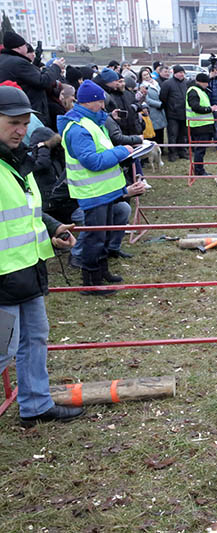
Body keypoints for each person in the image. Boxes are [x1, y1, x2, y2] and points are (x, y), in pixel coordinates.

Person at [0, 85, 87, 427]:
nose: (22, 130)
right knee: (3, 350)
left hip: (28, 272)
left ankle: (35, 405)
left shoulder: (17, 161)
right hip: (4, 279)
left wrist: (51, 228)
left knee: (34, 339)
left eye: (25, 123)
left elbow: (26, 211)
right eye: (13, 123)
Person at [57, 80, 133, 294]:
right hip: (93, 193)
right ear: (89, 102)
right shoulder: (78, 129)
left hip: (104, 192)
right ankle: (90, 282)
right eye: (100, 102)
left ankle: (102, 272)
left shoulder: (93, 123)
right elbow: (93, 161)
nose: (103, 106)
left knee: (104, 234)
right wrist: (122, 152)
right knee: (94, 238)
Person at [0, 32, 66, 127]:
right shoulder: (18, 63)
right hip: (31, 110)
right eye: (25, 45)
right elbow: (43, 81)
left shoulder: (4, 60)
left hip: (12, 110)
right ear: (18, 48)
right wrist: (56, 67)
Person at [185, 73, 217, 176]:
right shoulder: (193, 91)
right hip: (198, 125)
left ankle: (199, 169)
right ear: (200, 82)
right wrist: (209, 109)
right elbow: (195, 107)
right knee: (200, 149)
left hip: (203, 125)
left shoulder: (200, 91)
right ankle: (199, 171)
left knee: (201, 149)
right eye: (206, 83)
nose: (207, 85)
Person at [159, 65, 189, 161]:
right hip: (172, 114)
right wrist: (171, 106)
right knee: (173, 134)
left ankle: (182, 151)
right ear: (175, 73)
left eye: (183, 72)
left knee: (183, 134)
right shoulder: (167, 84)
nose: (181, 74)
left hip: (184, 113)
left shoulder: (186, 83)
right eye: (180, 72)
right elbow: (162, 97)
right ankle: (172, 153)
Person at [139, 67, 166, 145]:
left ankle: (162, 146)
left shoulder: (155, 82)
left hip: (160, 109)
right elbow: (147, 99)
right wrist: (159, 104)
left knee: (161, 129)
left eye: (147, 74)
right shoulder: (143, 86)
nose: (147, 76)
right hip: (152, 110)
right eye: (144, 75)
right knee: (155, 130)